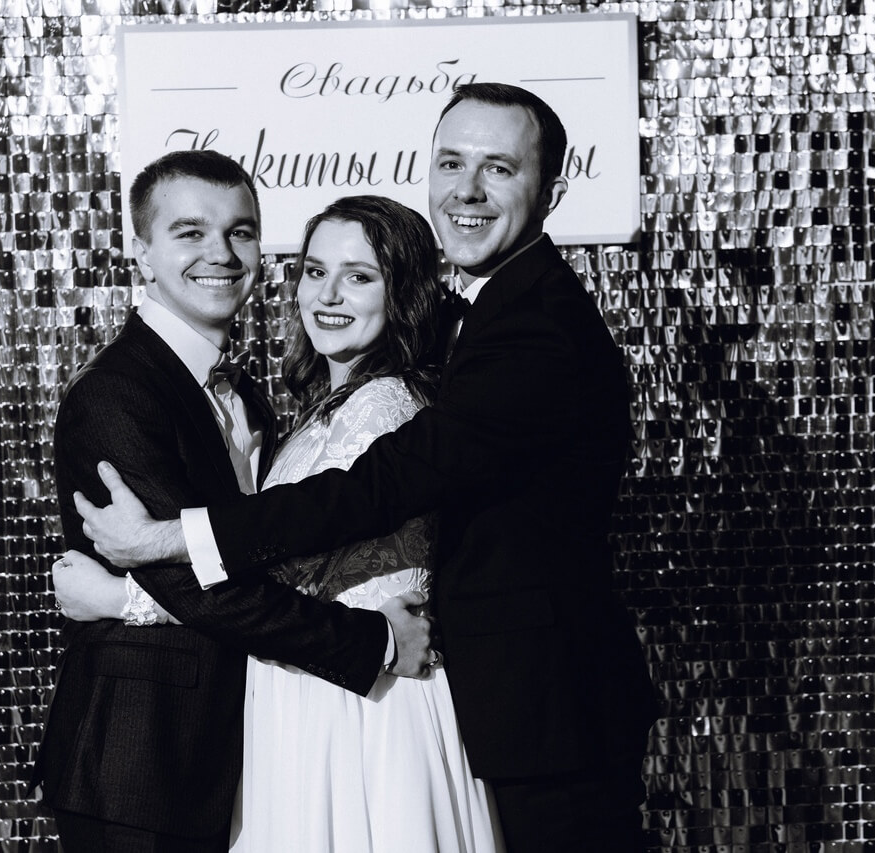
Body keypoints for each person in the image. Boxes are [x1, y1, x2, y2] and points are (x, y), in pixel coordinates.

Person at [77, 84, 660, 851]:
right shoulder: (460, 332)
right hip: (394, 697)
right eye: (450, 162)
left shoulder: (507, 342)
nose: (468, 189)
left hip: (472, 702)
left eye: (499, 168)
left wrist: (140, 575)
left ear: (549, 190)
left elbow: (369, 496)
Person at [60, 194, 504, 852]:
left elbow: (281, 578)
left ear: (403, 293)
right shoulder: (323, 406)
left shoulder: (382, 408)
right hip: (314, 697)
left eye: (360, 275)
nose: (329, 294)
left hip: (362, 711)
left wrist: (124, 599)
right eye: (315, 271)